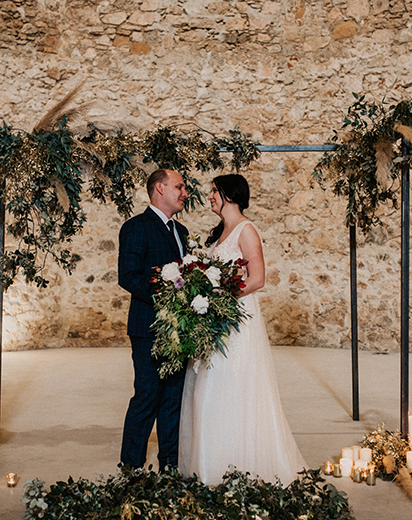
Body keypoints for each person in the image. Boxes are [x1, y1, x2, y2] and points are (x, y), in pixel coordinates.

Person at [178, 173, 307, 484]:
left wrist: (220, 297)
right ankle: (208, 464)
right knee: (207, 388)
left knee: (232, 385)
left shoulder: (246, 231)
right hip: (214, 318)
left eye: (213, 192)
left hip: (234, 319)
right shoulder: (219, 234)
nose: (209, 197)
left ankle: (238, 463)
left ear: (230, 196)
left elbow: (258, 278)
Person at [118, 168, 190, 470]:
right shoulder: (136, 227)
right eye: (179, 187)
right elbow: (129, 277)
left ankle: (169, 466)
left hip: (182, 329)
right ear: (159, 188)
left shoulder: (183, 232)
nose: (185, 193)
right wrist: (167, 294)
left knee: (173, 400)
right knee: (147, 397)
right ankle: (131, 468)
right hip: (149, 327)